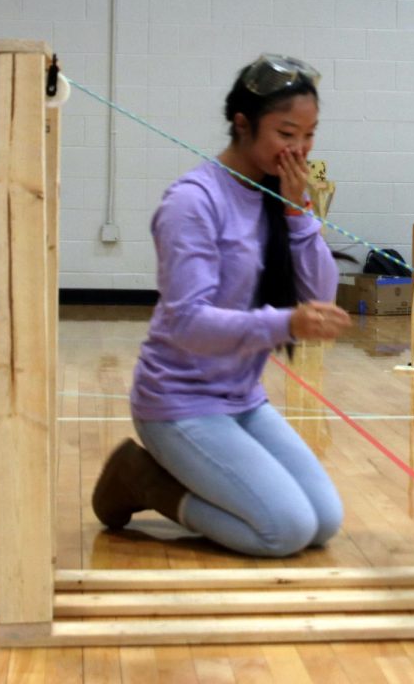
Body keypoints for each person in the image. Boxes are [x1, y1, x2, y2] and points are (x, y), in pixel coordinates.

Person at [91, 54, 351, 557]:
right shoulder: (192, 201)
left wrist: (301, 215)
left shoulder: (279, 194)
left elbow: (320, 298)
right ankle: (143, 481)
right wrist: (287, 321)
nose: (299, 149)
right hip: (179, 403)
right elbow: (188, 322)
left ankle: (183, 477)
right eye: (286, 133)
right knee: (285, 531)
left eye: (310, 135)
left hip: (242, 399)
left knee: (323, 522)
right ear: (242, 124)